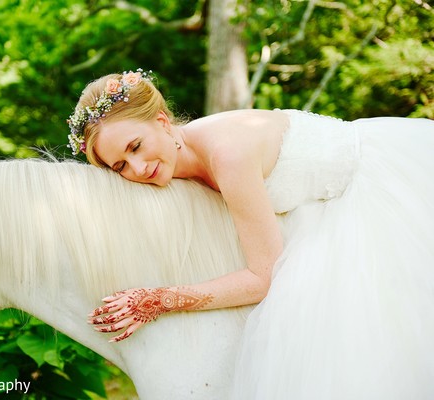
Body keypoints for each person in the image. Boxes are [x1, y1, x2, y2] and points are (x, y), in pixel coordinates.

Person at [67, 69, 434, 399]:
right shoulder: (177, 160)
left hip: (382, 188)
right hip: (318, 209)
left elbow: (264, 276)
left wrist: (160, 299)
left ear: (162, 122)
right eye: (120, 166)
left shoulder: (228, 155)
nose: (138, 167)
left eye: (135, 147)